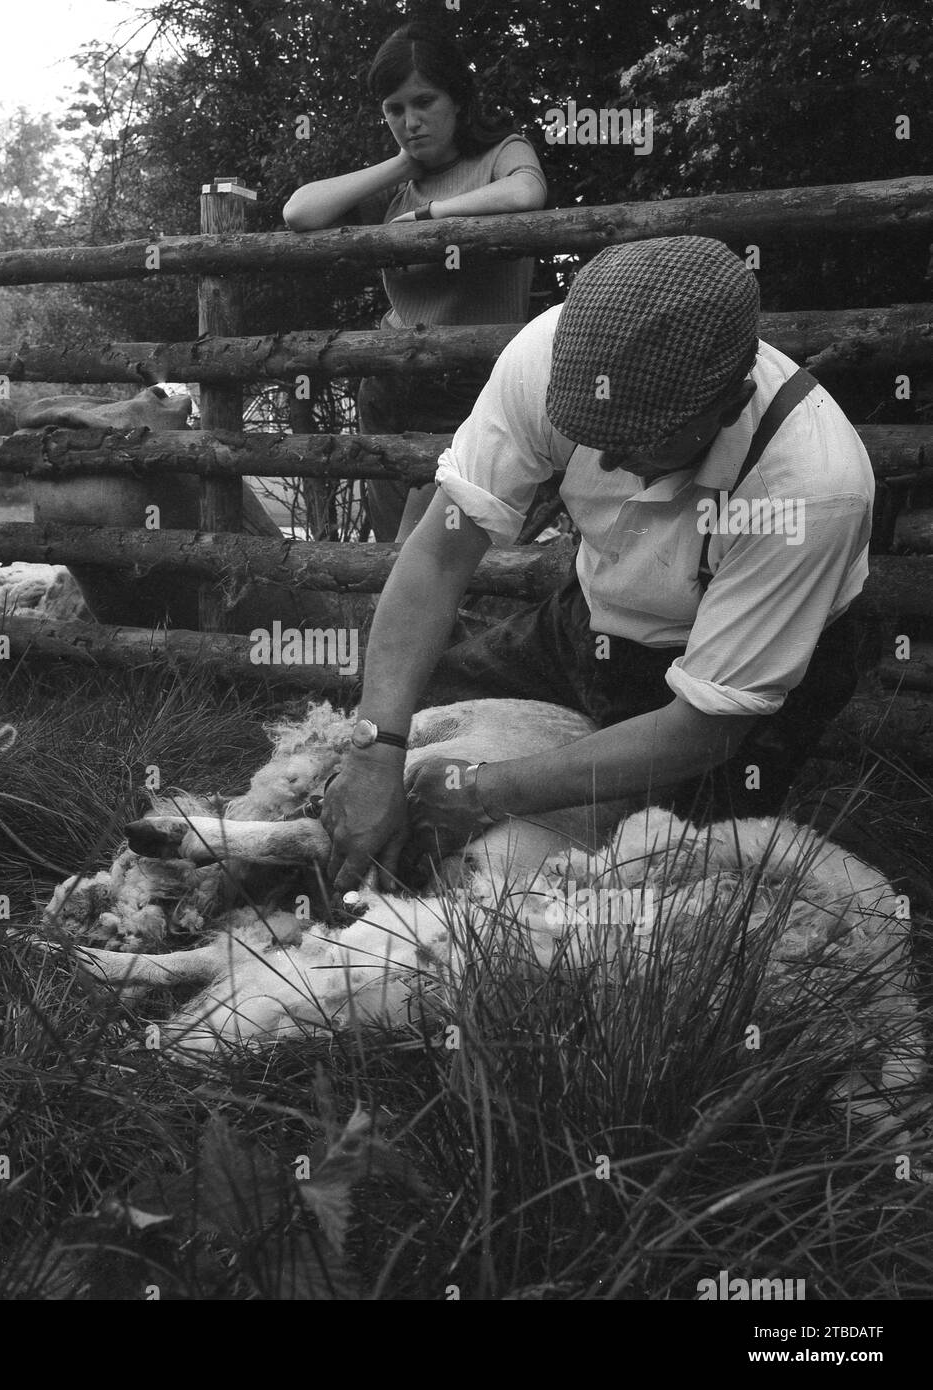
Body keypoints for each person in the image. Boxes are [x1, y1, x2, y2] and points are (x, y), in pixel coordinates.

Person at [321, 236, 875, 892]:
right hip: (590, 618)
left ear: (729, 402)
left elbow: (700, 730)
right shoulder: (549, 357)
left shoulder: (811, 488)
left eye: (640, 442)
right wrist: (377, 743)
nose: (606, 464)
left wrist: (481, 790)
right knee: (425, 720)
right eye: (591, 435)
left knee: (660, 872)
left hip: (715, 679)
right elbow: (442, 554)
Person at [283, 21, 547, 541]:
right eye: (395, 109)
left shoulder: (502, 154)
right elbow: (299, 212)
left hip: (474, 385)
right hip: (389, 380)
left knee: (432, 548)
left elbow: (526, 193)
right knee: (388, 544)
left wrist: (429, 216)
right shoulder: (396, 187)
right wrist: (401, 163)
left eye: (425, 101)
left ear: (458, 99)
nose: (411, 120)